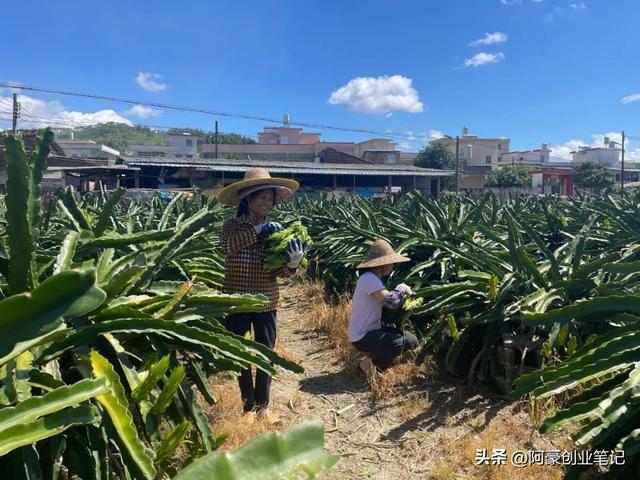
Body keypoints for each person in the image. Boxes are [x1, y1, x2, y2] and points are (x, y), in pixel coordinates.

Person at [217, 168, 305, 424]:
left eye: (270, 199)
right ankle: (248, 406)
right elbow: (227, 248)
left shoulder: (275, 232)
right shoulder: (232, 226)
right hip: (236, 299)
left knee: (266, 352)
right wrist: (258, 230)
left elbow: (280, 273)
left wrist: (292, 263)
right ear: (247, 198)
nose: (267, 204)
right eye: (262, 198)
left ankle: (264, 406)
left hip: (267, 299)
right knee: (240, 352)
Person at [349, 239, 419, 377]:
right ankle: (367, 365)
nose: (393, 266)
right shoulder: (369, 279)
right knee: (400, 343)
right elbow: (392, 302)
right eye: (391, 263)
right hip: (362, 336)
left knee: (411, 341)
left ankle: (374, 361)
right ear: (382, 264)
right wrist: (400, 290)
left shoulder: (372, 278)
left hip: (372, 330)